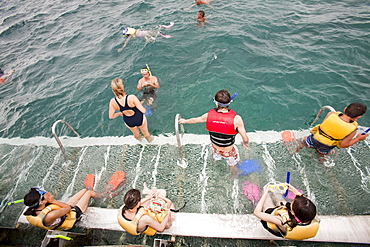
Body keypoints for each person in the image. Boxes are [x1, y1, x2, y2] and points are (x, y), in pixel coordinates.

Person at [179, 89, 249, 171]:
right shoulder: (236, 119)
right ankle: (233, 180)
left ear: (216, 102)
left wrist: (184, 121)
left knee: (215, 159)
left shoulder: (208, 115)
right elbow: (245, 138)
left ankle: (214, 168)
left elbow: (195, 120)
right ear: (229, 102)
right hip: (228, 151)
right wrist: (245, 143)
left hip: (216, 149)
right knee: (233, 166)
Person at [254, 183, 320, 240]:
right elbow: (306, 205)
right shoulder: (314, 217)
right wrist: (295, 191)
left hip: (278, 229)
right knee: (281, 199)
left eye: (292, 203)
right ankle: (277, 195)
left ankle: (262, 190)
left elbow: (257, 213)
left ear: (293, 212)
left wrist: (265, 194)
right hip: (295, 225)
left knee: (267, 202)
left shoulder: (283, 221)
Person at [300, 103, 368, 155]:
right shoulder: (353, 130)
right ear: (358, 117)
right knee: (323, 155)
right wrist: (358, 138)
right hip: (326, 146)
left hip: (314, 138)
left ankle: (295, 150)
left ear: (345, 109)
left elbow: (324, 126)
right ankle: (322, 164)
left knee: (304, 142)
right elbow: (343, 145)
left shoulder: (331, 114)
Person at [23, 186, 97, 230]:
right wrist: (53, 200)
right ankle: (104, 195)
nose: (45, 193)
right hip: (74, 215)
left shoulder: (34, 209)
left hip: (63, 212)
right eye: (43, 194)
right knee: (89, 193)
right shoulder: (50, 215)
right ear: (41, 202)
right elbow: (68, 208)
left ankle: (89, 192)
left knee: (84, 190)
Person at [109, 78, 154, 142]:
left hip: (128, 120)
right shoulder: (131, 97)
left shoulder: (113, 101)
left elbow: (111, 116)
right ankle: (150, 142)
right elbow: (143, 111)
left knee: (136, 135)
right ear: (122, 87)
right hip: (139, 118)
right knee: (146, 134)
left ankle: (142, 142)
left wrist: (119, 113)